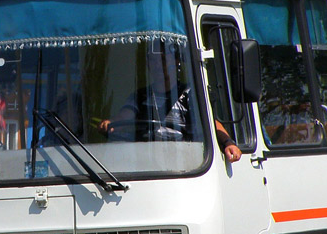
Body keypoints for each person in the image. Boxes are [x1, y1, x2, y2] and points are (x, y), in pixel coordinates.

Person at [98, 44, 242, 163]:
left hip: (186, 163)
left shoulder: (189, 93)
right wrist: (111, 122)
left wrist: (228, 143)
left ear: (176, 62)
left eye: (162, 60)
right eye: (152, 61)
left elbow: (210, 122)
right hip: (145, 163)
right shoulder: (140, 96)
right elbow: (125, 116)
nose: (157, 65)